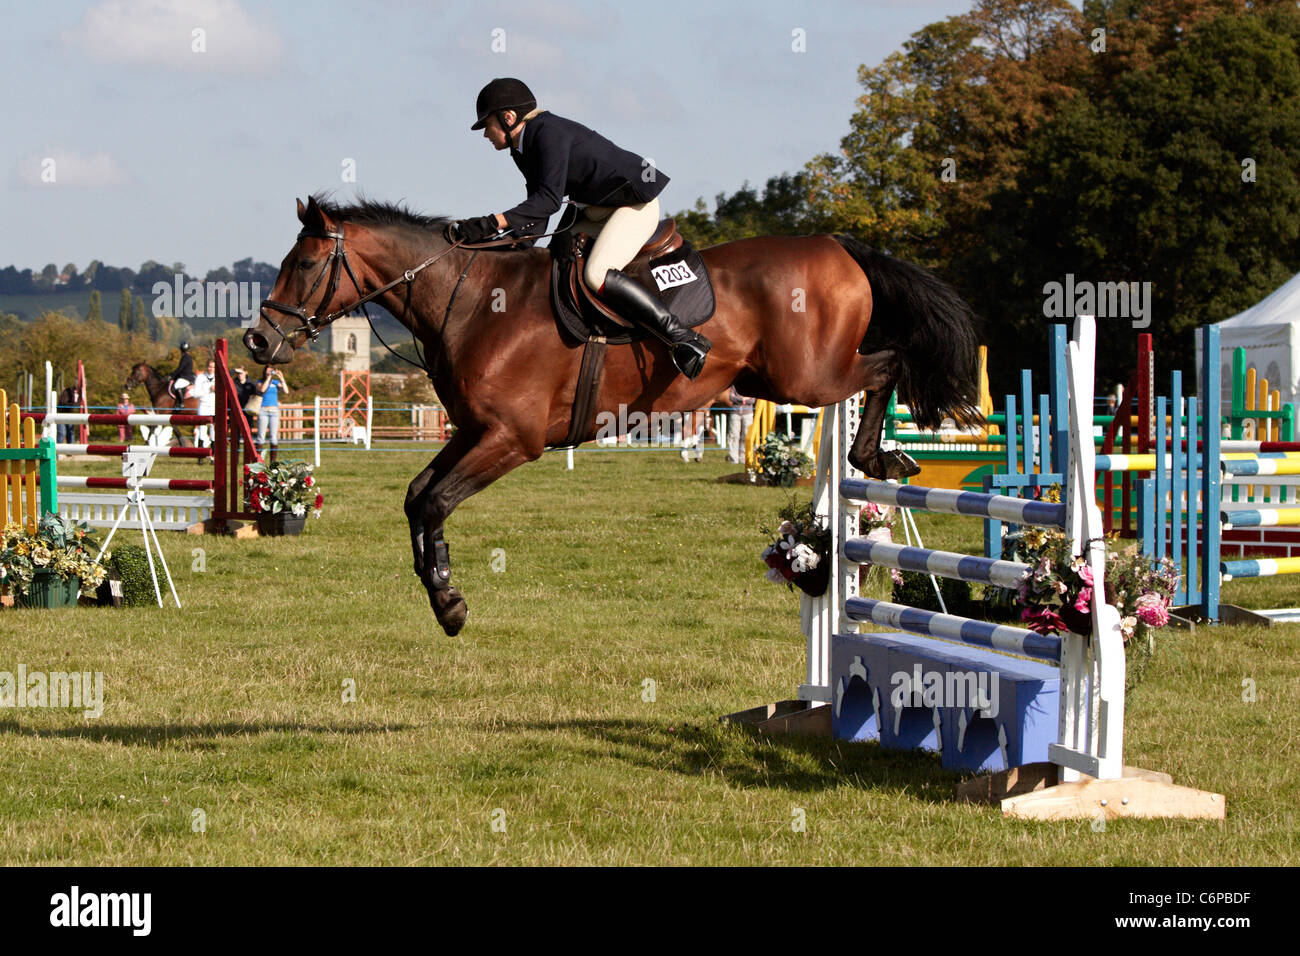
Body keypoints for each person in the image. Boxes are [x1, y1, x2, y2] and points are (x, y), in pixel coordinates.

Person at [451, 77, 710, 380]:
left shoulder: (548, 133)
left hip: (633, 206)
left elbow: (548, 201)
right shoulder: (522, 147)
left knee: (596, 273)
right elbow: (539, 208)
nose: (485, 135)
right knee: (552, 262)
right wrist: (510, 246)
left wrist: (490, 223)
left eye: (486, 125)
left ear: (508, 118)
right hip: (592, 209)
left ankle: (682, 338)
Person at [256, 365, 289, 461]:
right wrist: (269, 377)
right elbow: (262, 390)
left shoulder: (276, 383)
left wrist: (281, 378)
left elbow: (286, 391)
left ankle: (272, 461)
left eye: (272, 369)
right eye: (269, 369)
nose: (271, 371)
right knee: (261, 437)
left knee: (273, 437)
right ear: (265, 371)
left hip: (274, 411)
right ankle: (259, 459)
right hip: (263, 411)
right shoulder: (260, 382)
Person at [727, 386, 755, 464]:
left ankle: (744, 458)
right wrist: (743, 399)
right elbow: (731, 397)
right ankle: (733, 459)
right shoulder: (734, 386)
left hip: (748, 414)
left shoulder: (751, 387)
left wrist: (738, 399)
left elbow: (752, 400)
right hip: (735, 413)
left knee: (746, 436)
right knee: (733, 436)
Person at [192, 359, 216, 447]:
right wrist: (208, 389)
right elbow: (196, 394)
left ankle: (213, 455)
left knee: (213, 430)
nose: (211, 369)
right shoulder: (200, 377)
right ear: (206, 367)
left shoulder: (218, 378)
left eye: (213, 367)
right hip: (203, 405)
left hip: (214, 405)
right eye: (210, 366)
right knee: (202, 429)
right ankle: (201, 456)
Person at [232, 367, 258, 435]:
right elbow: (225, 377)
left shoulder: (251, 383)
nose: (239, 375)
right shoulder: (233, 382)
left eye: (241, 373)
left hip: (248, 409)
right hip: (236, 409)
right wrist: (233, 370)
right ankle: (236, 445)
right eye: (238, 373)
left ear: (246, 372)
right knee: (235, 432)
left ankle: (247, 445)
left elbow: (257, 395)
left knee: (248, 431)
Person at [169, 341, 195, 405]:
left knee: (176, 386)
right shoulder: (187, 357)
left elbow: (180, 369)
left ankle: (181, 403)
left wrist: (172, 376)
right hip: (186, 376)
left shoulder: (185, 357)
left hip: (186, 377)